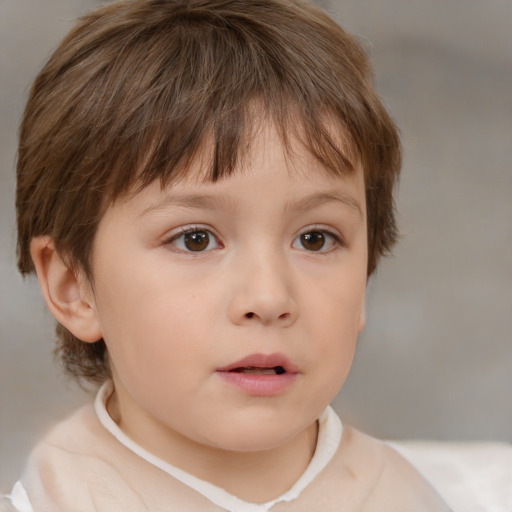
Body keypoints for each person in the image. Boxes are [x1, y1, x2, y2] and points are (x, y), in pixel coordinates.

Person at [4, 0, 452, 510]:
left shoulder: (411, 494)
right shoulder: (52, 497)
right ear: (74, 287)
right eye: (195, 239)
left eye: (315, 239)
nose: (268, 297)